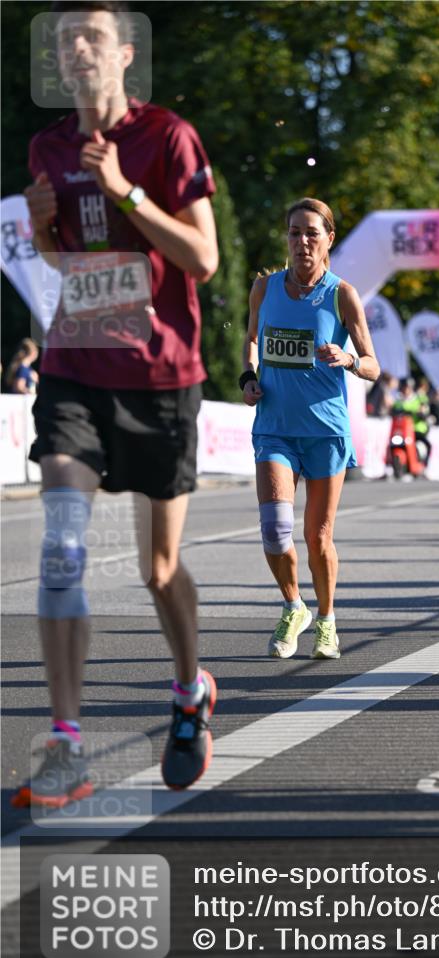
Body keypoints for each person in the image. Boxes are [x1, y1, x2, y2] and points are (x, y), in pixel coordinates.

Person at [12, 0, 219, 809]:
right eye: (66, 39)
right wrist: (44, 235)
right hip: (75, 370)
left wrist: (125, 191)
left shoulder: (166, 137)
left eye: (92, 36)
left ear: (125, 53)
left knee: (158, 570)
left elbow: (202, 257)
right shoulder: (47, 147)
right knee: (62, 548)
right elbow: (68, 268)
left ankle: (188, 689)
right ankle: (66, 743)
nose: (77, 49)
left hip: (161, 379)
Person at [241, 197, 379, 660]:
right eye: (295, 232)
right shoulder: (264, 288)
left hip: (325, 431)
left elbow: (374, 365)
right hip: (275, 427)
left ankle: (327, 620)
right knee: (274, 530)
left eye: (312, 233)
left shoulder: (343, 294)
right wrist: (247, 378)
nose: (302, 241)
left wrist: (349, 359)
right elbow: (252, 341)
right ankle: (293, 605)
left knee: (318, 537)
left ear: (329, 240)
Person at [392, 377, 432, 464]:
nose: (406, 390)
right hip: (402, 431)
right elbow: (393, 411)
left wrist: (421, 412)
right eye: (404, 387)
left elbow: (424, 411)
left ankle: (423, 463)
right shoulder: (398, 400)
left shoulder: (419, 399)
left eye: (408, 387)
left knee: (425, 445)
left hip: (416, 429)